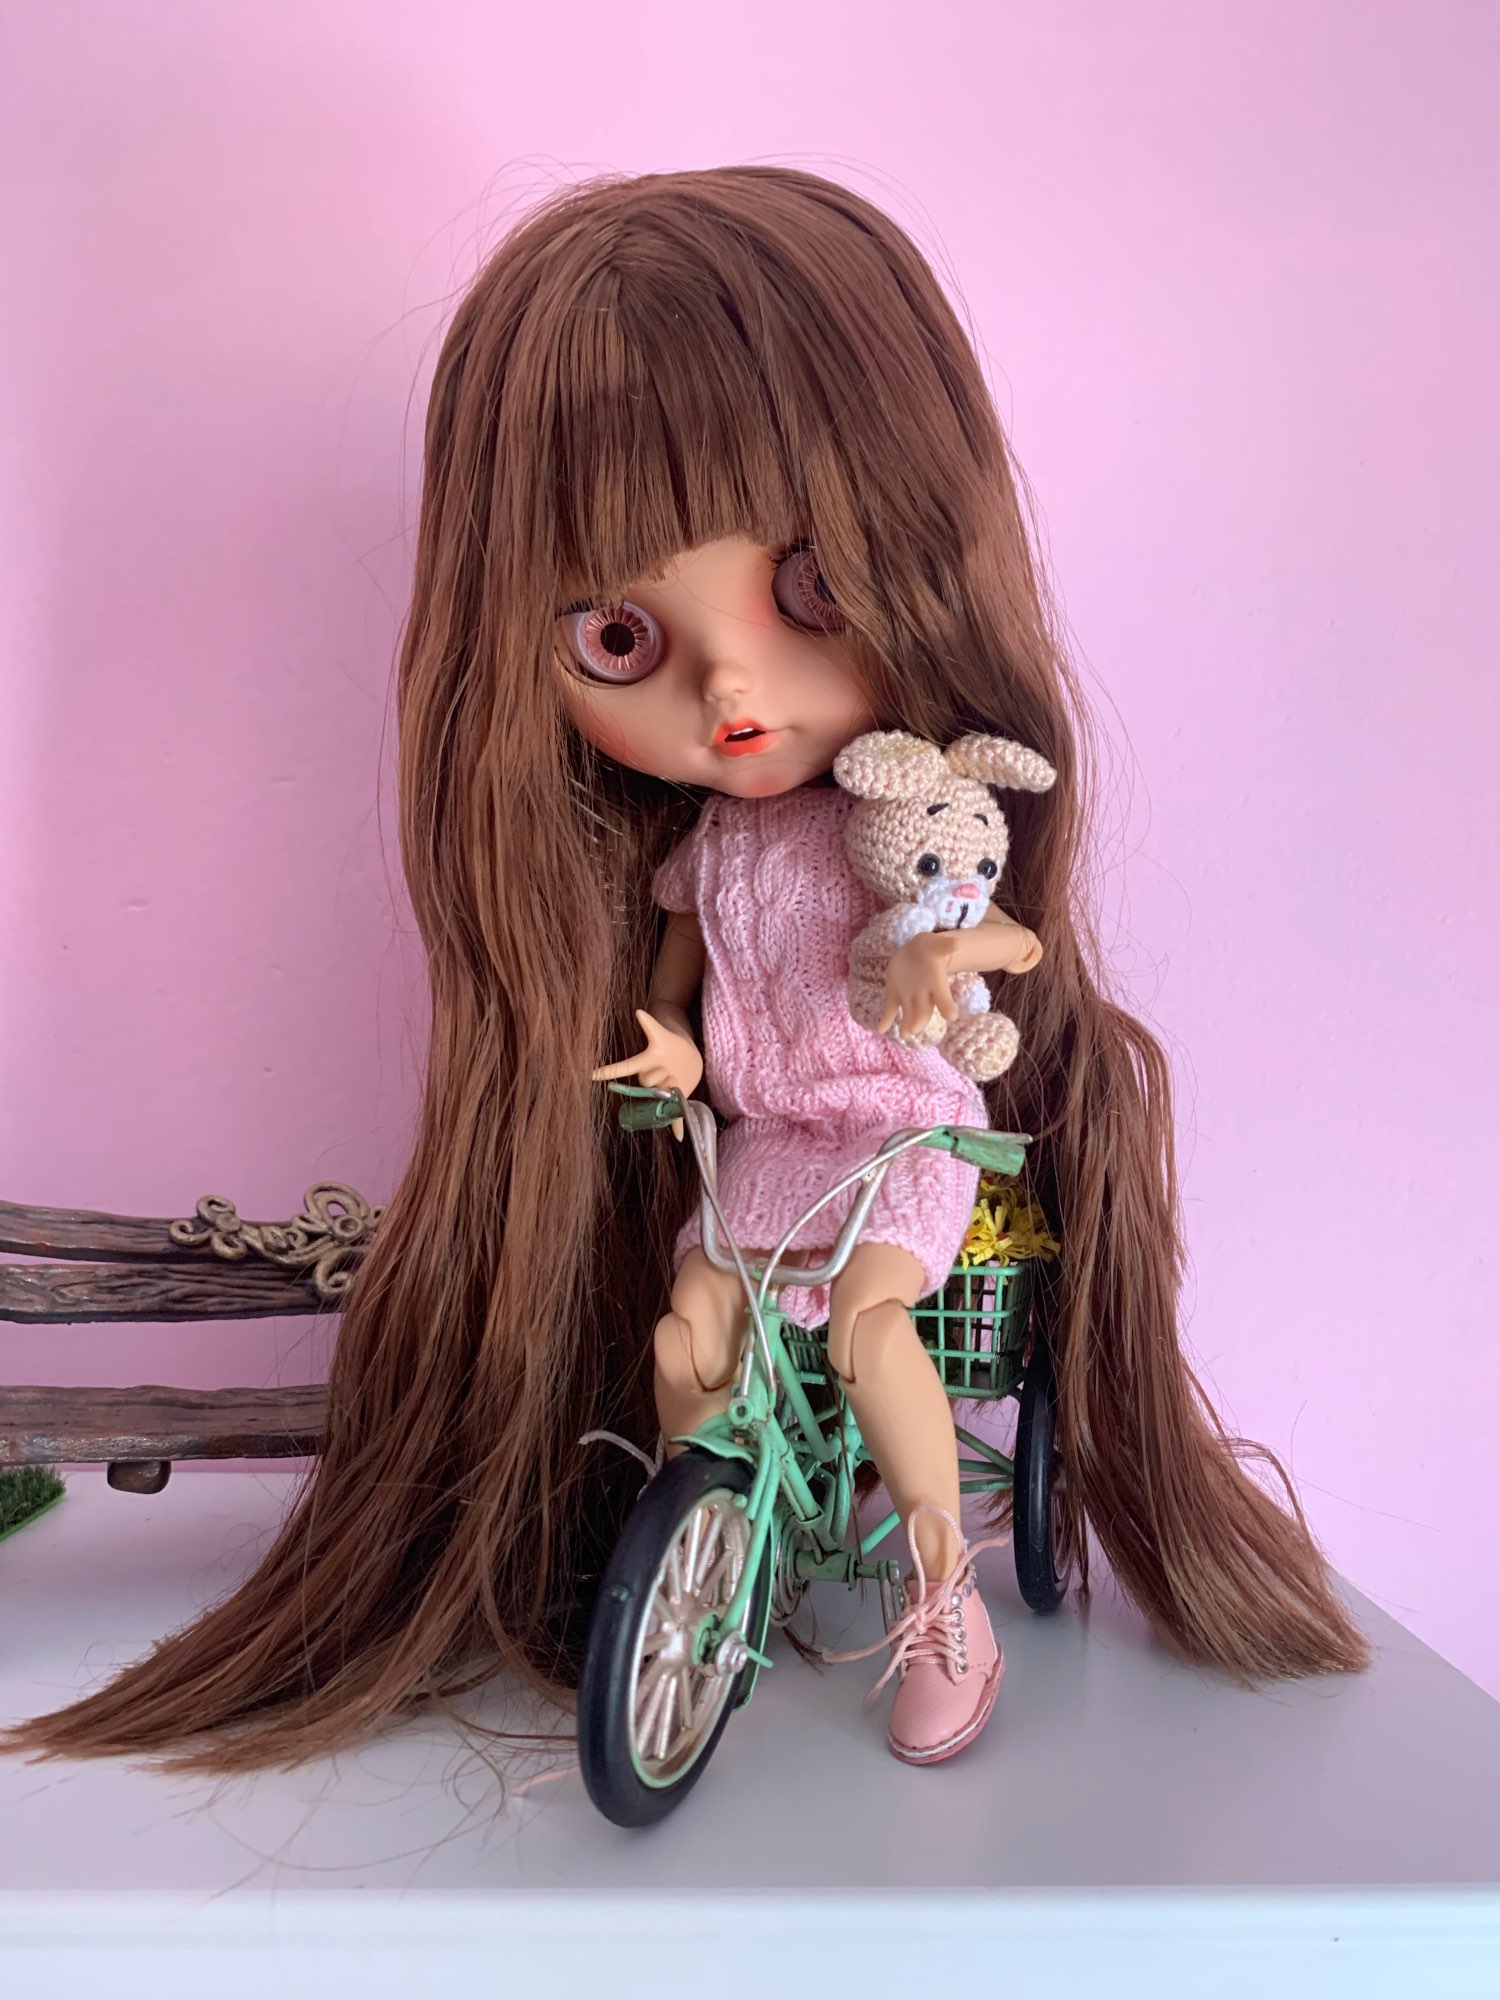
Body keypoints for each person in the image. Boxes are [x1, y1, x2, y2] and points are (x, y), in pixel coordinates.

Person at [1, 164, 1368, 1783]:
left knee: (869, 1335)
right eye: (621, 639)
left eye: (810, 592)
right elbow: (675, 973)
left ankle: (945, 1594)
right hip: (767, 1148)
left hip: (896, 1142)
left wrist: (948, 958)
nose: (729, 687)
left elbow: (991, 925)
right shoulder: (705, 848)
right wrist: (665, 1047)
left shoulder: (903, 814)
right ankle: (713, 1541)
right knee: (689, 1344)